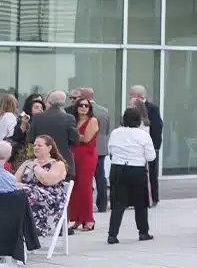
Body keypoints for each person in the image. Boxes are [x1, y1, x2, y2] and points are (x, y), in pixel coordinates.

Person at [106, 106, 156, 244]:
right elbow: (151, 157)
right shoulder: (143, 135)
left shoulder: (115, 133)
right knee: (141, 204)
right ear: (139, 120)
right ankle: (143, 232)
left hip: (117, 168)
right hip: (136, 170)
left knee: (118, 204)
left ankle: (112, 234)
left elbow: (110, 149)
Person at [15, 135, 69, 239]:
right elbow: (14, 180)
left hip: (49, 200)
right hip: (27, 195)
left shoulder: (57, 164)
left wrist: (36, 167)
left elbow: (47, 180)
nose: (36, 148)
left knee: (27, 193)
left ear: (49, 148)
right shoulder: (28, 162)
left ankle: (27, 229)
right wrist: (23, 185)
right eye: (34, 145)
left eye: (39, 145)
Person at [29, 91, 79, 179]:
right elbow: (75, 141)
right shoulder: (69, 118)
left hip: (41, 162)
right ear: (63, 103)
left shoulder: (37, 117)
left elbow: (30, 139)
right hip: (63, 161)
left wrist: (30, 158)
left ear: (50, 102)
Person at [67, 96, 99, 231]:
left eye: (86, 106)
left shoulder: (92, 120)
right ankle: (77, 218)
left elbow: (86, 138)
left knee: (85, 186)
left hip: (87, 155)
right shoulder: (73, 120)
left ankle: (89, 219)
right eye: (81, 105)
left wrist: (73, 135)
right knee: (74, 187)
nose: (83, 108)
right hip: (73, 154)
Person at [128, 85, 163, 205]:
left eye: (131, 94)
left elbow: (157, 127)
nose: (129, 97)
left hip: (149, 145)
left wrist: (155, 146)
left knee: (151, 172)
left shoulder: (152, 108)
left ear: (138, 96)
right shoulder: (131, 109)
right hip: (134, 147)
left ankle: (153, 197)